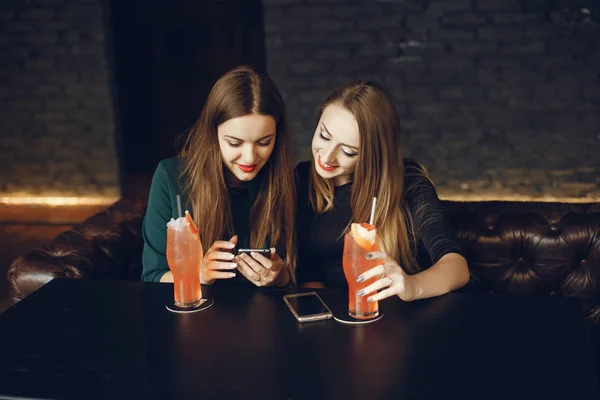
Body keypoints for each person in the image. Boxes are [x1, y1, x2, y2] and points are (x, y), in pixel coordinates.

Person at [295, 80, 469, 302]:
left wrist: (413, 286)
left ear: (373, 154)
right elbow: (307, 265)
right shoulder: (301, 178)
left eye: (348, 152)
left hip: (401, 317)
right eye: (324, 136)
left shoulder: (408, 181)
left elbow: (457, 266)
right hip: (337, 317)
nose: (327, 156)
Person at [142, 66, 295, 288]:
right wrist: (198, 275)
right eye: (234, 142)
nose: (250, 157)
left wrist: (281, 277)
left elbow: (304, 275)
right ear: (212, 134)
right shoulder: (171, 177)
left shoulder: (287, 181)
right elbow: (152, 277)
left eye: (264, 142)